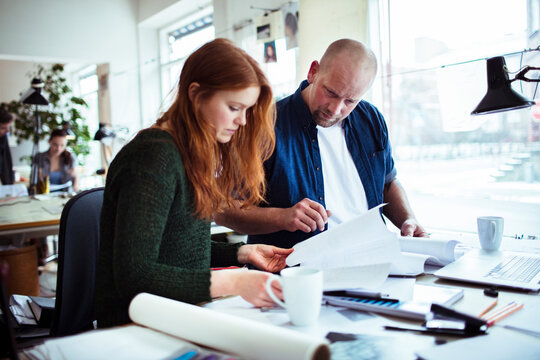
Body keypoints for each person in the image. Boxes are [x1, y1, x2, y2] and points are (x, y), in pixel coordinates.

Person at [94, 38, 293, 328]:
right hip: (137, 328)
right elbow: (135, 275)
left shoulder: (186, 153)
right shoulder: (153, 157)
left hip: (176, 316)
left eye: (247, 110)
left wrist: (241, 253)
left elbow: (175, 251)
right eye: (235, 107)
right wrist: (234, 281)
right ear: (196, 95)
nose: (243, 122)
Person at [214, 39, 427, 249]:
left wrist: (408, 219)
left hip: (374, 258)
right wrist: (282, 217)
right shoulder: (263, 126)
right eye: (331, 93)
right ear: (313, 71)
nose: (335, 109)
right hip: (296, 274)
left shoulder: (371, 118)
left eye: (350, 101)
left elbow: (387, 183)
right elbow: (223, 209)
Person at [0, 106, 15, 185]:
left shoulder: (3, 138)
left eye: (8, 127)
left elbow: (7, 161)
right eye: (3, 128)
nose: (7, 131)